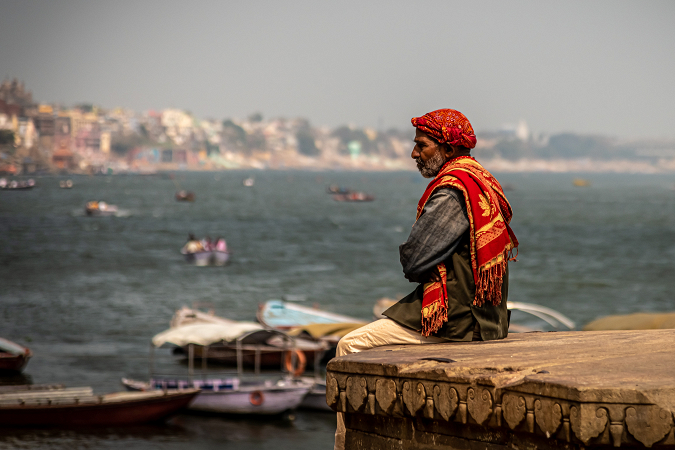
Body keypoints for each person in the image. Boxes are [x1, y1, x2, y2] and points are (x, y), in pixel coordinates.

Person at [333, 109, 518, 449]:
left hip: (458, 319)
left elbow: (414, 259)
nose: (414, 154)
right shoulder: (481, 178)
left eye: (422, 146)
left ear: (447, 150)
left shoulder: (451, 190)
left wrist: (417, 259)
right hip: (489, 317)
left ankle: (346, 443)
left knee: (350, 345)